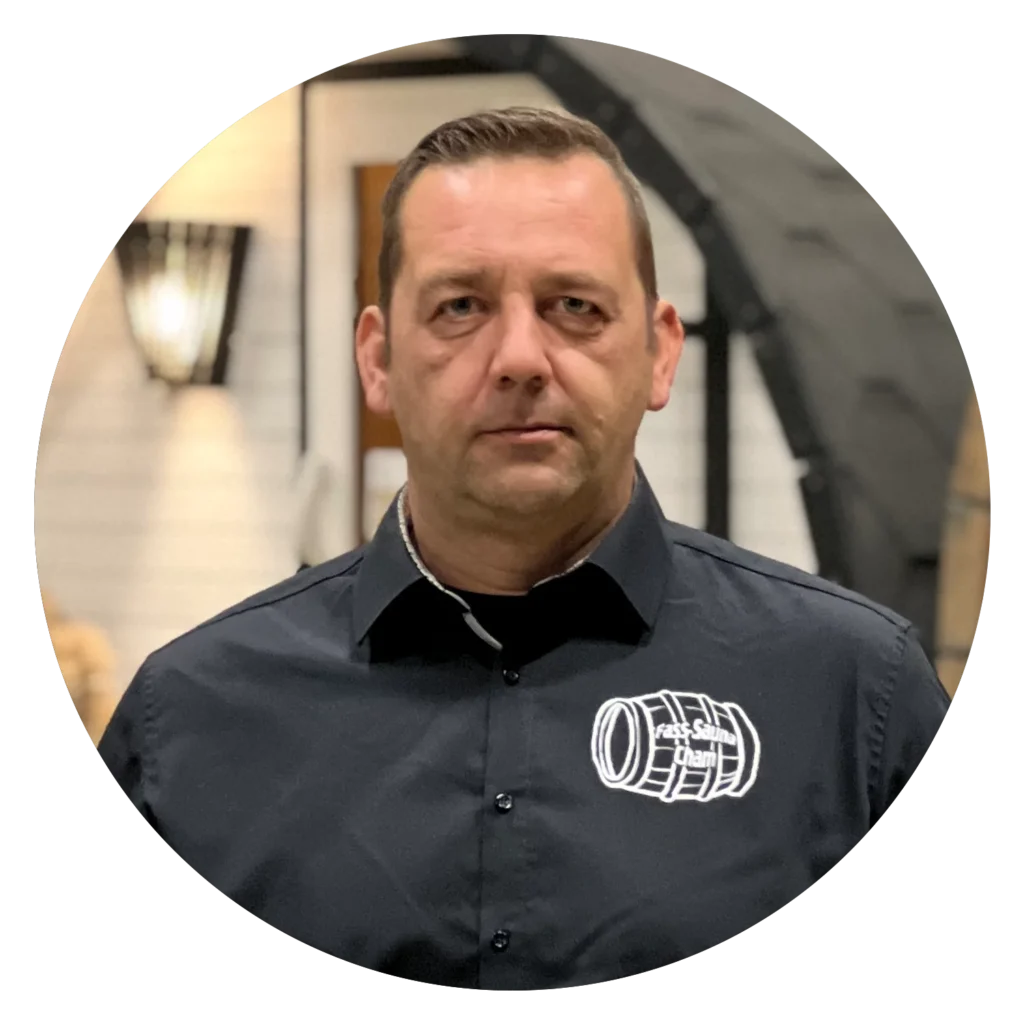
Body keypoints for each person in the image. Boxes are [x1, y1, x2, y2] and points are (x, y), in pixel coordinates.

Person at [96, 106, 951, 992]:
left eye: (574, 306)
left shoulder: (854, 699)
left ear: (660, 353)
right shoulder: (188, 722)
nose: (519, 358)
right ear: (378, 359)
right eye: (460, 307)